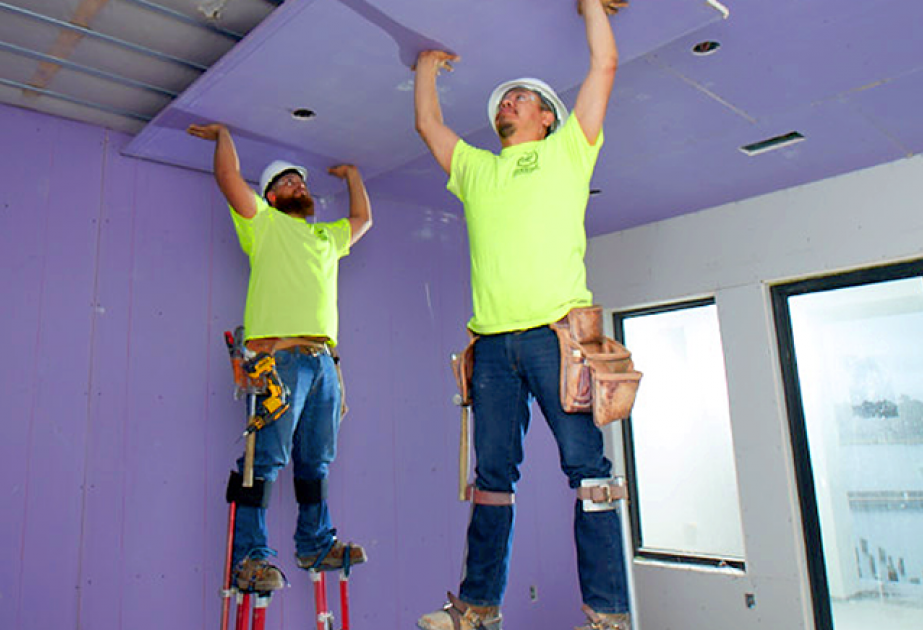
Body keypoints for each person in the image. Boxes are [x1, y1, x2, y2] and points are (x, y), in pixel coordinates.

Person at [411, 0, 630, 628]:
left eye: (520, 98)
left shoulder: (569, 152)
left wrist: (590, 7)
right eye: (503, 101)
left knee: (589, 472)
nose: (507, 103)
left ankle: (609, 613)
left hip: (557, 340)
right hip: (492, 347)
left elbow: (605, 65)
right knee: (491, 478)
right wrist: (426, 66)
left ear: (547, 116)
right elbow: (428, 125)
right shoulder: (477, 170)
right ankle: (478, 607)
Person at [186, 122, 372, 592]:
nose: (299, 186)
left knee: (317, 460)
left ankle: (315, 543)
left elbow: (362, 220)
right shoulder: (262, 225)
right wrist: (224, 136)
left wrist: (353, 175)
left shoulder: (326, 237)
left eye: (302, 183)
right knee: (264, 458)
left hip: (324, 363)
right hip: (280, 360)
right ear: (270, 196)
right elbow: (229, 178)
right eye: (288, 182)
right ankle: (250, 558)